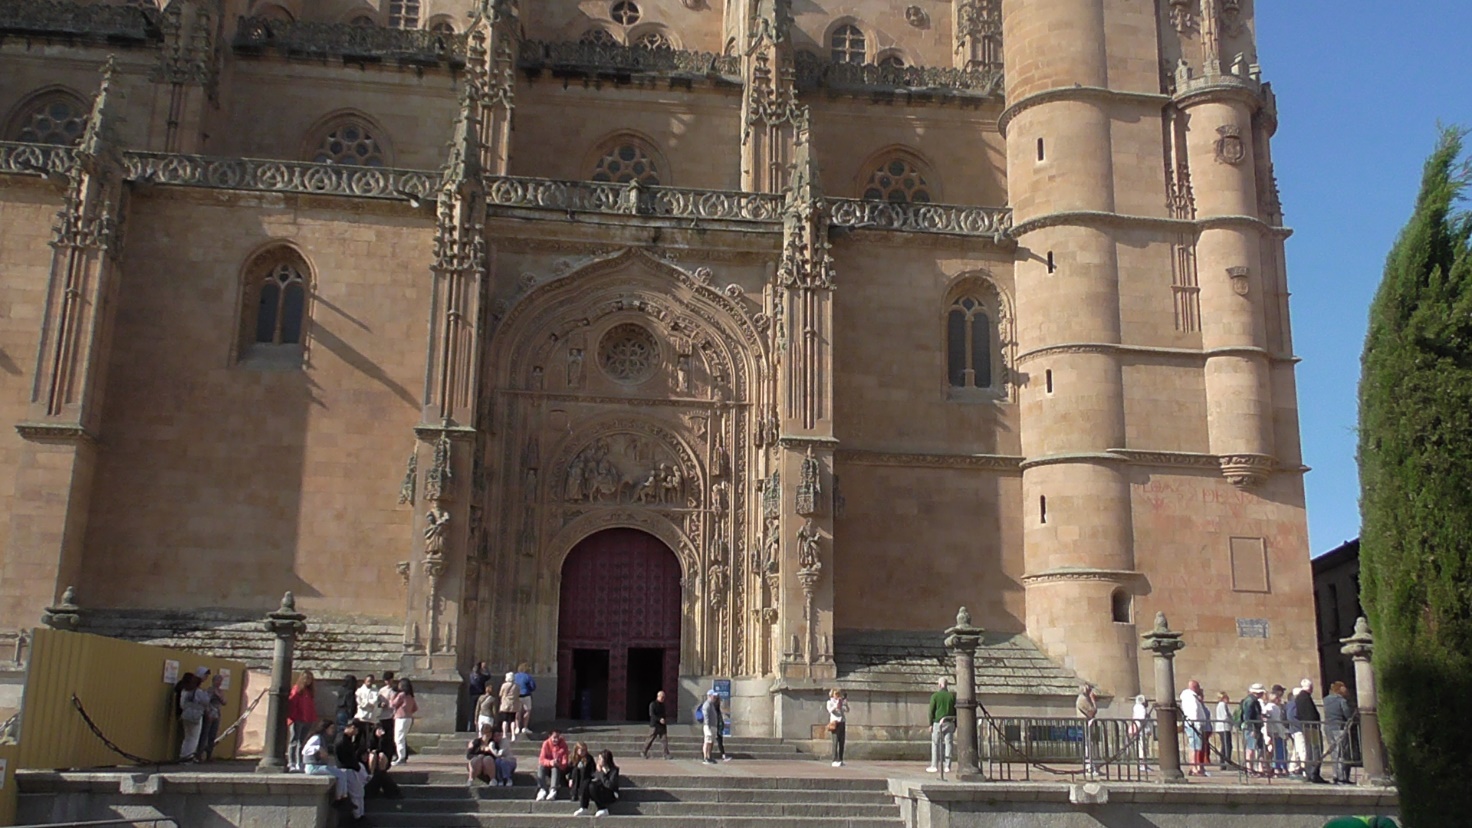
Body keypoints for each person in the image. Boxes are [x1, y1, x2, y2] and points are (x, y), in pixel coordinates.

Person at [302, 720, 358, 820]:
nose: (333, 730)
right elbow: (305, 750)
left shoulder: (323, 739)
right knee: (341, 774)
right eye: (331, 728)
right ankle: (339, 799)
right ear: (325, 728)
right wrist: (318, 748)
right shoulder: (316, 738)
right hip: (313, 767)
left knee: (341, 773)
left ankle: (344, 798)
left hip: (317, 766)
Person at [331, 720, 369, 821]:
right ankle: (358, 817)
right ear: (352, 727)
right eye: (356, 729)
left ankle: (360, 814)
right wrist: (356, 767)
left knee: (359, 793)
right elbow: (346, 758)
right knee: (356, 794)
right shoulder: (342, 741)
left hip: (349, 768)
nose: (357, 732)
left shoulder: (345, 738)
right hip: (348, 769)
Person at [1295, 678, 1327, 783]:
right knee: (1315, 749)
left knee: (1310, 750)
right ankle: (1314, 773)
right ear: (1311, 688)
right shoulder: (1305, 698)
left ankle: (1310, 773)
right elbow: (1310, 714)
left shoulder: (1299, 697)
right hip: (1311, 727)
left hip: (1306, 726)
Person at [573, 749, 621, 818]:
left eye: (600, 759)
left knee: (593, 786)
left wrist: (601, 772)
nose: (598, 761)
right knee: (586, 783)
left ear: (606, 759)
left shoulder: (613, 770)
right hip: (598, 792)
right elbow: (594, 777)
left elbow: (609, 785)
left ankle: (602, 808)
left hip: (610, 794)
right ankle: (584, 807)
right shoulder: (597, 770)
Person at [1323, 680, 1353, 784]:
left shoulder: (1326, 700)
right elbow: (1346, 713)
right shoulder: (1341, 700)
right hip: (1339, 727)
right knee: (1342, 752)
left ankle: (1335, 774)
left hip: (1328, 727)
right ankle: (1342, 776)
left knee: (1334, 752)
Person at [1179, 679, 1210, 776]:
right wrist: (1197, 724)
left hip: (1193, 723)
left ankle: (1195, 766)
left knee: (1196, 746)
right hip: (1194, 724)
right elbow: (1194, 711)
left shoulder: (1191, 697)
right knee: (1195, 746)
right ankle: (1194, 767)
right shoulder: (1191, 697)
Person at [177, 672, 209, 762]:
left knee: (187, 737)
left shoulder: (184, 691)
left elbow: (182, 704)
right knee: (194, 737)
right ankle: (189, 756)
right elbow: (206, 701)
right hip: (195, 716)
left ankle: (183, 755)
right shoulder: (198, 692)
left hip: (185, 714)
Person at [288, 670, 316, 772]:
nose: (308, 681)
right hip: (297, 719)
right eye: (307, 678)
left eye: (310, 679)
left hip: (307, 719)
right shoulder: (297, 690)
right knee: (294, 741)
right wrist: (292, 718)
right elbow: (291, 704)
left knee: (302, 742)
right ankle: (292, 763)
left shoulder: (309, 692)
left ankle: (300, 763)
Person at [927, 677, 956, 773]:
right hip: (950, 722)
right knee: (949, 744)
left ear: (939, 685)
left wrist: (930, 723)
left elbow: (931, 711)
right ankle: (948, 766)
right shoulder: (952, 696)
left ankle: (934, 765)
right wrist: (955, 723)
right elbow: (956, 710)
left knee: (935, 743)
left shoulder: (935, 696)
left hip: (938, 722)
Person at [535, 729, 570, 801]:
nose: (556, 740)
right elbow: (541, 760)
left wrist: (558, 764)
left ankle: (553, 789)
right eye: (554, 737)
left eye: (557, 737)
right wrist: (550, 762)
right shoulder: (546, 744)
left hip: (559, 769)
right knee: (540, 767)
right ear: (550, 736)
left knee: (555, 768)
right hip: (548, 767)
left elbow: (565, 761)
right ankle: (542, 789)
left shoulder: (563, 745)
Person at [391, 678, 418, 767]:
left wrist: (392, 697)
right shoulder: (410, 696)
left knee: (398, 738)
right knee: (402, 737)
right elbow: (415, 708)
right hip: (409, 718)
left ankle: (401, 757)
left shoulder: (401, 695)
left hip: (400, 718)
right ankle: (402, 756)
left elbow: (393, 704)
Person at [1239, 684, 1266, 774]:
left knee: (1254, 748)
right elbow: (1248, 717)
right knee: (1251, 749)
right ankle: (1249, 769)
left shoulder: (1252, 700)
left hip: (1253, 727)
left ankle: (1250, 768)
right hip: (1251, 728)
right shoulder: (1251, 701)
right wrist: (1253, 729)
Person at [201, 672, 227, 762]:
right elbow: (206, 702)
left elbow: (224, 702)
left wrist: (218, 695)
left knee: (213, 735)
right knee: (205, 734)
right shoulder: (209, 690)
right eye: (218, 681)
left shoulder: (220, 691)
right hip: (210, 713)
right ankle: (200, 754)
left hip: (217, 714)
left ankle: (209, 754)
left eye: (220, 681)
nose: (219, 683)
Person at [1264, 685, 1288, 776]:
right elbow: (1276, 721)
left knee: (1277, 751)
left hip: (1274, 731)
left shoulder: (1271, 707)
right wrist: (1282, 732)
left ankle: (1278, 767)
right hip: (1276, 732)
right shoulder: (1273, 707)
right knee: (1279, 751)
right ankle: (1280, 768)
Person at [466, 722, 499, 787]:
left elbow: (497, 755)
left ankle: (492, 779)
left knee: (488, 759)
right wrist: (479, 755)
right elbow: (468, 755)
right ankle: (471, 779)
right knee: (476, 760)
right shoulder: (476, 742)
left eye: (489, 732)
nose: (487, 735)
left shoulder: (493, 743)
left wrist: (490, 751)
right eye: (485, 733)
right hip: (477, 765)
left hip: (488, 765)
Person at [1076, 683, 1098, 777]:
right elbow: (1092, 711)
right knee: (1087, 745)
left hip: (1087, 724)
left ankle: (1090, 765)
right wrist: (1093, 700)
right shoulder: (1082, 699)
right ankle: (1088, 766)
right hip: (1084, 724)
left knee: (1089, 745)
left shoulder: (1085, 699)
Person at [642, 689, 671, 759]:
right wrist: (659, 719)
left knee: (664, 740)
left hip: (662, 725)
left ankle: (666, 754)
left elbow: (664, 714)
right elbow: (652, 714)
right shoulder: (653, 704)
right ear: (658, 696)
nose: (663, 698)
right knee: (650, 739)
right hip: (654, 725)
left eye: (664, 697)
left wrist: (664, 720)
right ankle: (643, 752)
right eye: (662, 697)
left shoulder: (663, 705)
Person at [377, 672, 399, 764]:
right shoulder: (382, 690)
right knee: (383, 736)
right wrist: (380, 704)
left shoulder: (395, 690)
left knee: (391, 736)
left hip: (392, 715)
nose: (388, 682)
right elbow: (377, 702)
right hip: (383, 715)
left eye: (390, 680)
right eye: (386, 680)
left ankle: (392, 753)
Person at [826, 688, 849, 768]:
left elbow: (847, 710)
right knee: (835, 741)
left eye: (838, 694)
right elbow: (831, 710)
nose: (838, 696)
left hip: (842, 722)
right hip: (835, 723)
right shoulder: (830, 702)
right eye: (836, 694)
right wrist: (837, 704)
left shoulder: (841, 702)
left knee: (842, 742)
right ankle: (834, 759)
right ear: (832, 695)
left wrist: (845, 704)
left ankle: (840, 759)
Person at [1130, 694, 1152, 772]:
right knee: (1142, 747)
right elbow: (1141, 719)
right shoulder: (1140, 708)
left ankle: (1144, 764)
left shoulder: (1137, 707)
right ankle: (1142, 764)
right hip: (1142, 730)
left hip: (1142, 729)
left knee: (1143, 747)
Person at [514, 663, 538, 735]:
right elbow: (533, 686)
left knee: (517, 712)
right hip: (526, 695)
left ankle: (517, 727)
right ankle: (524, 727)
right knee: (527, 711)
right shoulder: (527, 676)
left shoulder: (515, 676)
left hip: (517, 696)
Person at [466, 661, 490, 731]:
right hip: (480, 695)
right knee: (479, 711)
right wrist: (485, 669)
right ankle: (477, 727)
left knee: (472, 711)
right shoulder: (481, 676)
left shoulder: (471, 675)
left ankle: (470, 727)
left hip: (473, 694)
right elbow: (489, 676)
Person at [709, 688, 731, 762]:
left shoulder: (716, 705)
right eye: (715, 697)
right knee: (711, 740)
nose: (717, 698)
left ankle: (722, 755)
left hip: (717, 724)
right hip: (714, 725)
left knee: (719, 740)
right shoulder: (711, 705)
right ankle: (708, 755)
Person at [498, 671, 521, 740]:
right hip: (513, 705)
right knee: (512, 720)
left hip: (505, 704)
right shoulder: (516, 686)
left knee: (505, 720)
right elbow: (518, 695)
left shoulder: (504, 685)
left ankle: (504, 734)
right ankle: (513, 735)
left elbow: (500, 694)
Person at [700, 690, 720, 764]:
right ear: (709, 696)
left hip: (713, 726)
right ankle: (705, 757)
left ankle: (709, 756)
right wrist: (707, 726)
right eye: (713, 696)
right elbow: (706, 716)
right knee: (707, 741)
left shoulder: (712, 704)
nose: (715, 697)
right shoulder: (707, 704)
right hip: (708, 726)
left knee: (711, 742)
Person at [1215, 691, 1234, 770]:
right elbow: (1225, 717)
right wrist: (1231, 720)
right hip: (1223, 727)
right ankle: (1226, 762)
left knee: (1225, 746)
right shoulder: (1222, 705)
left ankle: (1224, 763)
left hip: (1223, 727)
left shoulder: (1222, 705)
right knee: (1227, 746)